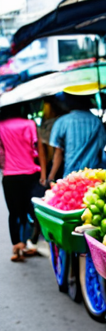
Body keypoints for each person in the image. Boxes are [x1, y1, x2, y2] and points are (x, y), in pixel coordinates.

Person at [0, 103, 47, 262]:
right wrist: (44, 174)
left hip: (10, 176)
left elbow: (0, 154)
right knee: (35, 211)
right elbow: (39, 148)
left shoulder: (1, 126)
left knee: (14, 213)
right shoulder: (29, 124)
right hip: (32, 174)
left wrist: (5, 166)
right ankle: (32, 242)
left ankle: (17, 246)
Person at [47, 93, 106, 180]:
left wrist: (51, 175)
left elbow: (58, 152)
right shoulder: (96, 121)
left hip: (71, 175)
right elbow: (103, 147)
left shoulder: (62, 122)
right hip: (93, 174)